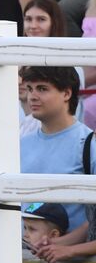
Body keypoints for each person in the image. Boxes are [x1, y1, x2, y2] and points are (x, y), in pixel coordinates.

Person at [18, 65, 91, 242]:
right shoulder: (20, 144)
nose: (32, 96)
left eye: (42, 89)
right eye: (30, 89)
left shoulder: (89, 144)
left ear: (66, 94)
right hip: (21, 259)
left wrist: (63, 244)